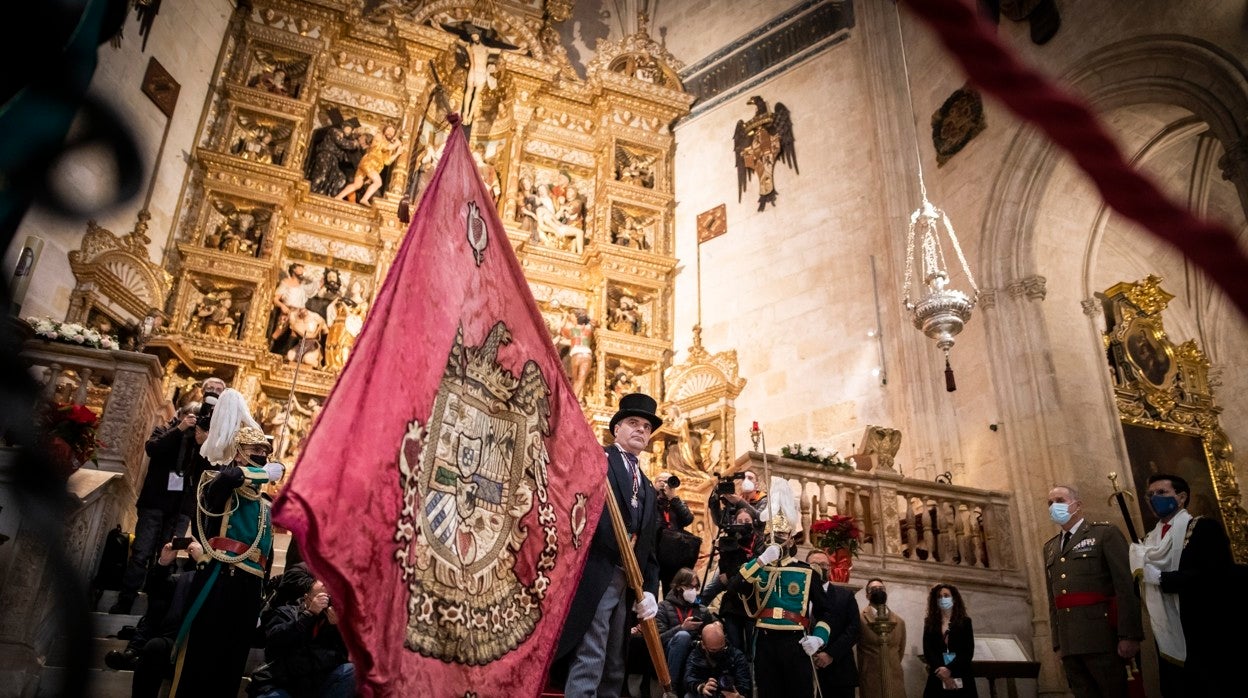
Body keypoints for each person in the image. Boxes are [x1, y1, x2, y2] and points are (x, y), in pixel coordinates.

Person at [171, 390, 281, 697]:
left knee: (231, 664)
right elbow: (227, 481)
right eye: (256, 449)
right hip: (220, 577)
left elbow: (266, 555)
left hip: (248, 587)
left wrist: (260, 597)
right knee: (203, 656)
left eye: (265, 451)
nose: (263, 455)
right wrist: (254, 471)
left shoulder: (266, 505)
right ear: (240, 452)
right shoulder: (217, 483)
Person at [555, 393, 662, 698]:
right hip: (597, 571)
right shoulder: (597, 460)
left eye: (646, 426)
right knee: (592, 652)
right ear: (617, 428)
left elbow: (650, 547)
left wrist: (650, 589)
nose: (640, 429)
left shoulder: (648, 485)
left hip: (628, 582)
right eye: (633, 422)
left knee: (616, 659)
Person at [1131, 473, 1238, 696]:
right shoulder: (1149, 541)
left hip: (1203, 626)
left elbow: (1215, 576)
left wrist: (1162, 578)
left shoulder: (1203, 528)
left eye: (1162, 493)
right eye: (1150, 495)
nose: (1154, 498)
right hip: (1167, 625)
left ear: (1181, 497)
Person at [1043, 484, 1142, 698]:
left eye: (1059, 501)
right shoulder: (1050, 547)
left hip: (1102, 637)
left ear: (1077, 505)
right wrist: (1058, 643)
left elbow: (1125, 586)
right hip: (1070, 642)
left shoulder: (1104, 534)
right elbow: (1054, 599)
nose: (1053, 507)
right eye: (1050, 503)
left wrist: (1129, 634)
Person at [730, 501, 832, 698]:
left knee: (799, 692)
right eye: (769, 536)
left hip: (796, 640)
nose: (775, 539)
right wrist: (760, 561)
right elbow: (734, 589)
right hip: (765, 640)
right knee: (768, 691)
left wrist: (819, 637)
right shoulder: (758, 567)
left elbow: (825, 611)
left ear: (791, 540)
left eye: (781, 535)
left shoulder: (807, 571)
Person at [250, 564, 355, 698]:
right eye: (319, 599)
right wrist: (308, 615)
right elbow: (276, 641)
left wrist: (338, 629)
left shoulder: (333, 619)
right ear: (306, 597)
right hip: (280, 682)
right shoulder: (286, 612)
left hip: (314, 683)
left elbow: (343, 656)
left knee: (351, 672)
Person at [702, 507, 761, 654]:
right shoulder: (729, 539)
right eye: (739, 521)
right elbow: (723, 572)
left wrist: (731, 573)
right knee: (735, 647)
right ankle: (697, 607)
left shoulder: (759, 541)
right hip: (732, 603)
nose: (743, 524)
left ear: (753, 522)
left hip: (752, 603)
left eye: (746, 521)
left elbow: (756, 564)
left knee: (752, 649)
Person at [805, 550, 860, 698]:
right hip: (803, 671)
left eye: (824, 565)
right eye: (815, 564)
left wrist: (830, 654)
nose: (820, 568)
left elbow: (853, 629)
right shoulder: (797, 595)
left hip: (838, 670)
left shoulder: (844, 596)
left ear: (829, 568)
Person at [655, 568, 712, 696]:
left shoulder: (702, 610)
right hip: (670, 652)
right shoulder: (663, 607)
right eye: (689, 587)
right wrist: (682, 627)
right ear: (679, 587)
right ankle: (670, 689)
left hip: (695, 654)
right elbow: (658, 640)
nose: (693, 591)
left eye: (695, 587)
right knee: (682, 636)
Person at [921, 584, 976, 697]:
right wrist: (942, 671)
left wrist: (949, 669)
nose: (942, 599)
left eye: (946, 596)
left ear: (954, 599)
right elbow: (928, 650)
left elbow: (968, 651)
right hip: (938, 674)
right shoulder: (930, 622)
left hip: (960, 672)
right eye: (939, 597)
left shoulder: (965, 622)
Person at [857, 578, 907, 698]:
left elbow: (900, 650)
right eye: (874, 589)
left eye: (881, 589)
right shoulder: (859, 619)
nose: (878, 591)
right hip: (871, 678)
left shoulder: (899, 621)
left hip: (895, 678)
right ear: (867, 595)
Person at [336, 124, 404, 206]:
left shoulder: (389, 146)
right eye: (388, 130)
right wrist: (397, 144)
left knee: (357, 185)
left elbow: (387, 161)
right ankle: (364, 199)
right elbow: (384, 147)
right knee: (378, 182)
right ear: (384, 130)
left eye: (392, 132)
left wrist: (397, 153)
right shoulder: (379, 136)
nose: (390, 132)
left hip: (371, 166)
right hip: (369, 163)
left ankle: (339, 197)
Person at [654, 471, 697, 596]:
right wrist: (654, 493)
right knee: (652, 589)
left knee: (671, 590)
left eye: (668, 481)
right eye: (661, 481)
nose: (665, 484)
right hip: (654, 551)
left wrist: (674, 499)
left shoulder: (677, 502)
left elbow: (688, 519)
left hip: (671, 554)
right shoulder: (650, 500)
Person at [682, 621, 751, 698]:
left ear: (724, 639)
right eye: (713, 650)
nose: (718, 652)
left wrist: (738, 695)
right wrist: (701, 687)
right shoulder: (695, 656)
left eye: (722, 648)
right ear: (703, 645)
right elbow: (688, 678)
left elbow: (745, 684)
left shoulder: (737, 655)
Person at [560, 311, 594, 402]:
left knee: (575, 380)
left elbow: (561, 330)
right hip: (586, 354)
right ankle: (574, 401)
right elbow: (596, 322)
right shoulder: (588, 328)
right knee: (581, 379)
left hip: (576, 355)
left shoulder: (572, 329)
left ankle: (572, 401)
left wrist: (565, 318)